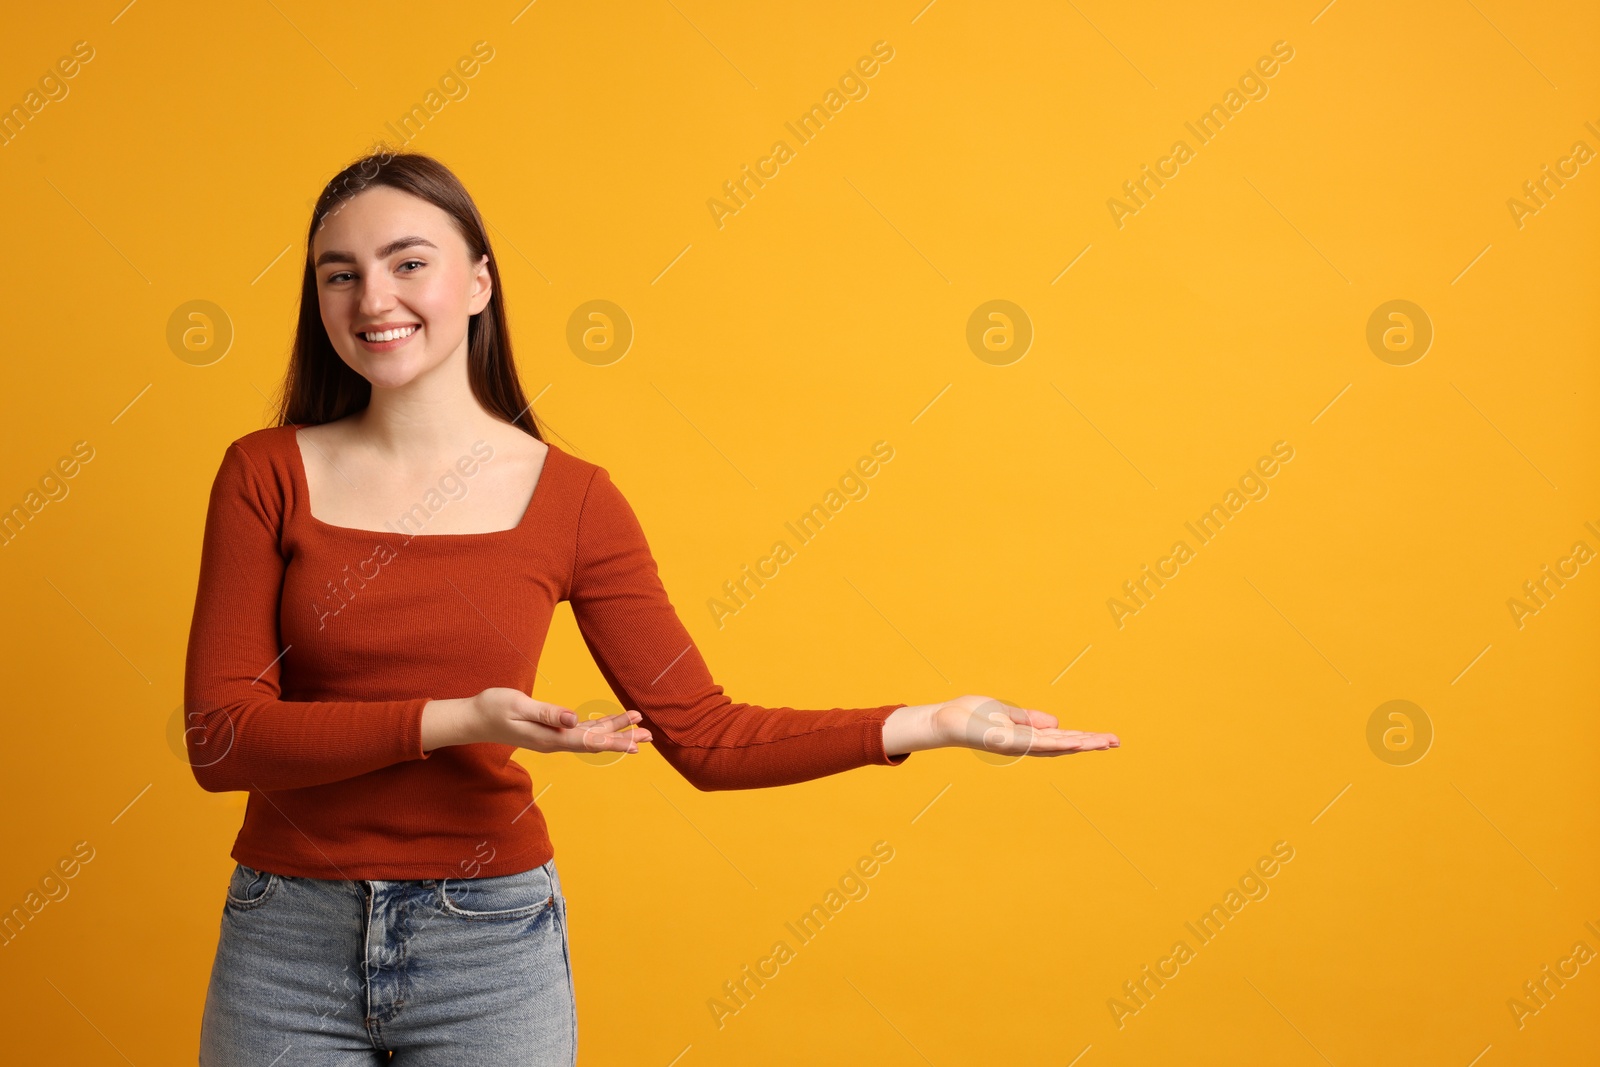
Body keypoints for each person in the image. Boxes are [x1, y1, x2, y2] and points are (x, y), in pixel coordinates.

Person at [185, 150, 1120, 1066]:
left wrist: (936, 721)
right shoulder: (264, 474)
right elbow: (222, 741)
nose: (373, 299)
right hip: (286, 943)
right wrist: (460, 719)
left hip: (486, 944)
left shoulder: (575, 500)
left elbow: (705, 737)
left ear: (479, 282)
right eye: (338, 274)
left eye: (409, 263)